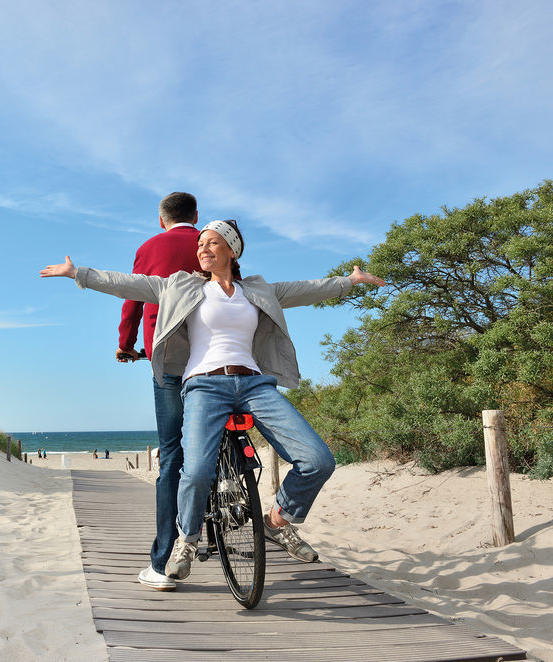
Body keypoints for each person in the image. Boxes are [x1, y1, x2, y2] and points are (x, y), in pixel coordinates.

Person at [40, 219, 385, 584]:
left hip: (255, 385)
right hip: (205, 386)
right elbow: (130, 283)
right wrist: (79, 273)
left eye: (212, 243)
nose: (203, 249)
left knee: (318, 459)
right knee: (198, 470)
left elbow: (306, 289)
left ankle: (277, 521)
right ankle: (187, 540)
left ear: (232, 251)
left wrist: (350, 281)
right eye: (201, 243)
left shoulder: (258, 289)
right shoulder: (181, 286)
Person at [116, 191, 200, 591]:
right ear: (195, 216)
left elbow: (133, 297)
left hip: (165, 356)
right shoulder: (212, 242)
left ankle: (162, 563)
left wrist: (126, 343)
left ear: (161, 219)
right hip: (213, 353)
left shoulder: (149, 247)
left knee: (171, 455)